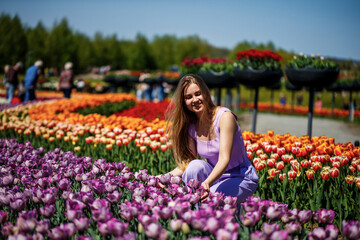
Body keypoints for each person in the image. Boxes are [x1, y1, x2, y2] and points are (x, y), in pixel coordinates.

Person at [163, 74, 258, 204]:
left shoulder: (225, 117)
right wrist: (163, 178)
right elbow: (186, 165)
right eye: (188, 97)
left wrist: (206, 183)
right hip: (214, 176)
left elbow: (224, 159)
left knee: (210, 198)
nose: (195, 99)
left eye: (198, 94)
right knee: (194, 166)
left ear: (206, 93)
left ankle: (207, 214)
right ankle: (192, 215)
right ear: (184, 102)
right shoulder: (192, 126)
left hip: (240, 176)